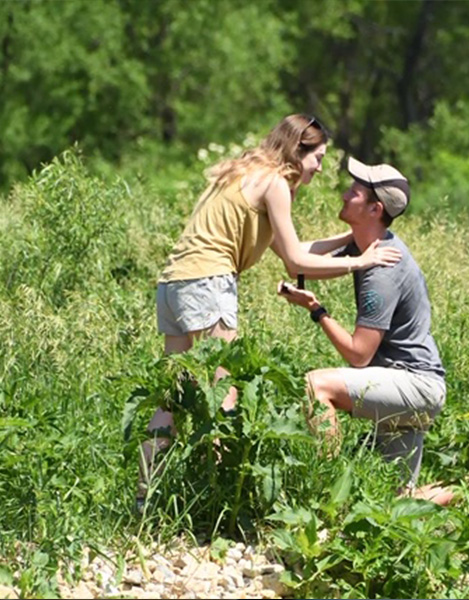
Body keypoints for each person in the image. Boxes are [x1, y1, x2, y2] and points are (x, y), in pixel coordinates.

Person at [136, 115, 402, 508]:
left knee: (172, 397)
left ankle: (147, 499)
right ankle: (224, 502)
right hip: (210, 283)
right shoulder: (276, 184)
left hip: (175, 283)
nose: (320, 167)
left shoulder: (246, 173)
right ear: (299, 150)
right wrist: (360, 262)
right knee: (223, 395)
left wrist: (349, 239)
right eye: (318, 157)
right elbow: (297, 259)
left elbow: (291, 259)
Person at [278, 156, 453, 505]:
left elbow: (359, 355)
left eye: (354, 192)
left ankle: (326, 494)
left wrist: (317, 310)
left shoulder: (383, 268)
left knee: (316, 386)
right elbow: (296, 258)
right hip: (407, 382)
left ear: (375, 209)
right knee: (392, 504)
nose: (344, 194)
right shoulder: (367, 248)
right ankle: (466, 490)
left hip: (415, 385)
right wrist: (354, 233)